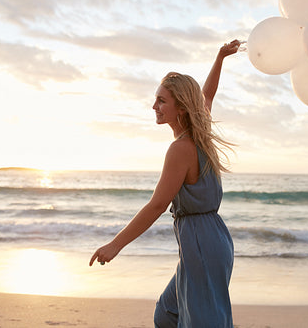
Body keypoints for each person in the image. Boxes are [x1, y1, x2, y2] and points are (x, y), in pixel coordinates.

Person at [89, 39, 241, 327]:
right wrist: (220, 57)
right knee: (168, 313)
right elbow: (206, 96)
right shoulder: (200, 135)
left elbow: (158, 205)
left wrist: (115, 245)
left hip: (200, 242)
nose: (154, 106)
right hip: (212, 239)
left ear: (180, 108)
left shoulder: (181, 149)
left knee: (202, 321)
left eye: (161, 101)